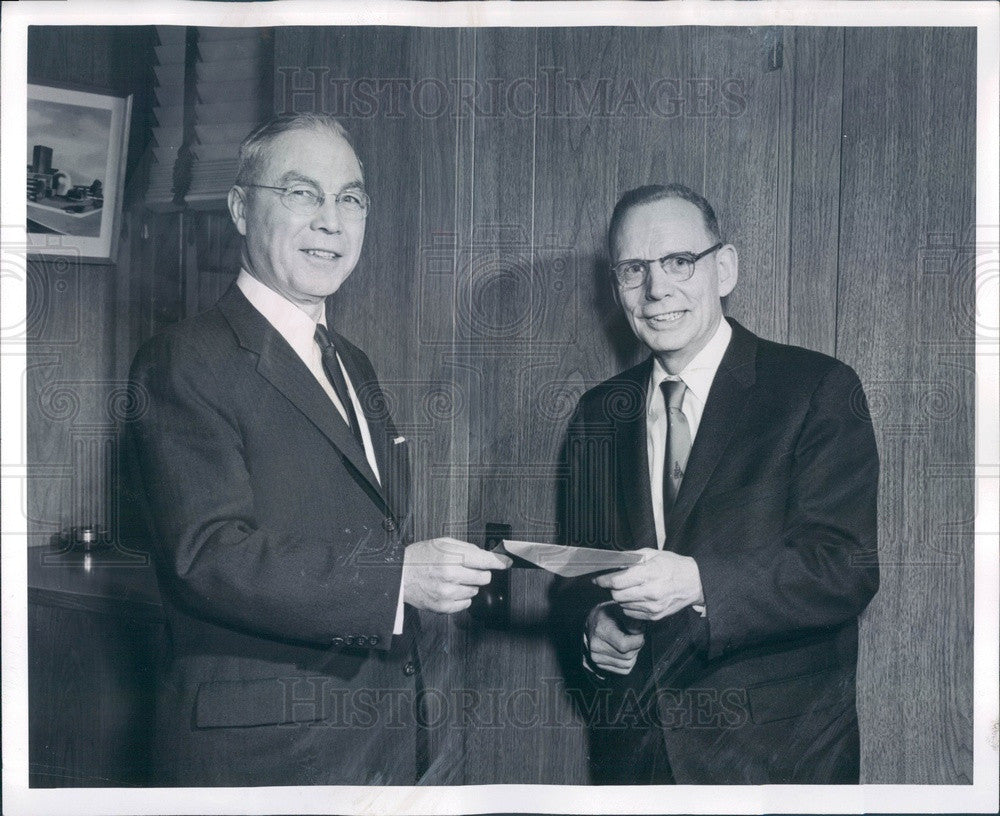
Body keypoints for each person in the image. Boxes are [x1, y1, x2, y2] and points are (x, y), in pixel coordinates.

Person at [126, 113, 510, 786]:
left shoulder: (351, 362)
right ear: (242, 209)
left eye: (350, 199)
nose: (332, 221)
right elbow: (208, 557)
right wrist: (398, 580)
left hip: (375, 745)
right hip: (263, 757)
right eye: (303, 193)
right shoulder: (184, 359)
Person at [560, 183, 879, 784]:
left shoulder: (817, 390)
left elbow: (844, 567)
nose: (657, 290)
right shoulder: (597, 414)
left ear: (723, 268)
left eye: (680, 262)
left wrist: (698, 581)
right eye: (634, 269)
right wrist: (595, 623)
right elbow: (579, 574)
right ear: (617, 286)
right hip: (638, 767)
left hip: (778, 767)